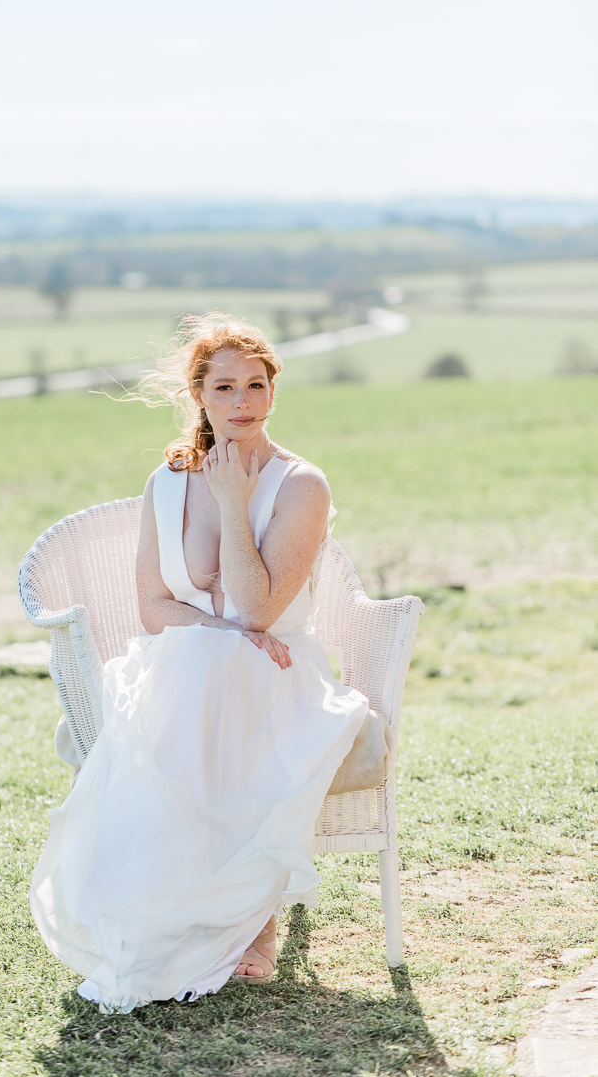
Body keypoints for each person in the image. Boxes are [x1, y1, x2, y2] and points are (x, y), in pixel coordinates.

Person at [30, 316, 369, 1013]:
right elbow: (155, 607)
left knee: (220, 671)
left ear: (273, 392)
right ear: (200, 396)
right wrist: (220, 632)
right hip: (186, 664)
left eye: (255, 385)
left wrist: (234, 503)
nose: (241, 401)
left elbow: (261, 610)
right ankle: (165, 911)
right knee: (205, 667)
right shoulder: (164, 483)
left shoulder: (302, 485)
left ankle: (251, 923)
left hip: (279, 671)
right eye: (224, 387)